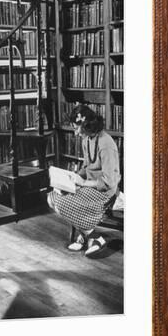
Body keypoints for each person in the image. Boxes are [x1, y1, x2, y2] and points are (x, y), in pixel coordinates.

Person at [47, 105, 121, 257]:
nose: (75, 133)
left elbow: (109, 182)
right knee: (52, 197)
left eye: (76, 128)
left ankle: (94, 237)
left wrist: (83, 183)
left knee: (62, 203)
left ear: (86, 125)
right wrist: (71, 178)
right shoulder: (87, 139)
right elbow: (86, 167)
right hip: (88, 186)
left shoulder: (106, 144)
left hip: (105, 192)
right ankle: (87, 234)